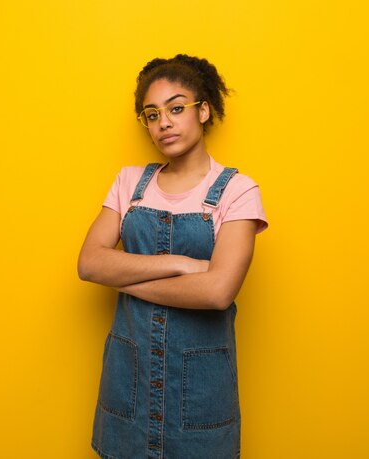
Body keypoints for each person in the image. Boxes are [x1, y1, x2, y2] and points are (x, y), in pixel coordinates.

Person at [78, 54, 268, 459]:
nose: (163, 122)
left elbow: (218, 292)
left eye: (176, 108)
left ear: (203, 111)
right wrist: (182, 265)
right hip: (128, 386)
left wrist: (125, 276)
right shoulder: (129, 182)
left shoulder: (239, 191)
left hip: (198, 396)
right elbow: (90, 264)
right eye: (151, 114)